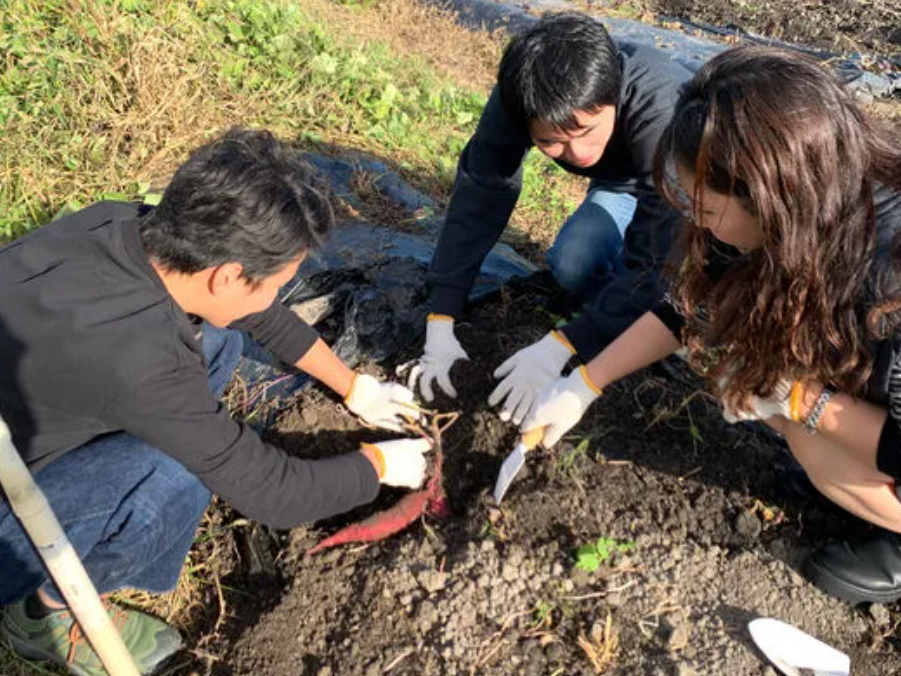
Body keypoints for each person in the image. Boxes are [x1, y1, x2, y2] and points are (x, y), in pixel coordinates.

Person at [0, 129, 431, 675]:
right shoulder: (144, 362)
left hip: (31, 411)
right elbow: (277, 495)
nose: (276, 296)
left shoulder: (121, 223)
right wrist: (382, 465)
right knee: (174, 474)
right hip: (9, 520)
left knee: (219, 339)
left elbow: (254, 312)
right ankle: (46, 612)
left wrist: (353, 386)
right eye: (277, 282)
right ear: (228, 274)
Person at [519, 45, 901, 605]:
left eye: (708, 208)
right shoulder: (806, 207)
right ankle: (845, 478)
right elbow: (688, 308)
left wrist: (802, 403)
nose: (696, 219)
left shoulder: (888, 273)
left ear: (773, 197)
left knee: (798, 424)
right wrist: (584, 382)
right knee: (751, 368)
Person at [407, 13, 691, 423]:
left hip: (683, 191)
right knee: (573, 262)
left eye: (588, 131)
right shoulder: (519, 98)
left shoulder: (660, 108)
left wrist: (567, 342)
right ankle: (618, 309)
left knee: (672, 288)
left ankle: (636, 323)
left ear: (615, 96)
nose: (577, 154)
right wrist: (442, 312)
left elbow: (659, 258)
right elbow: (482, 191)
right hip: (623, 185)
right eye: (551, 142)